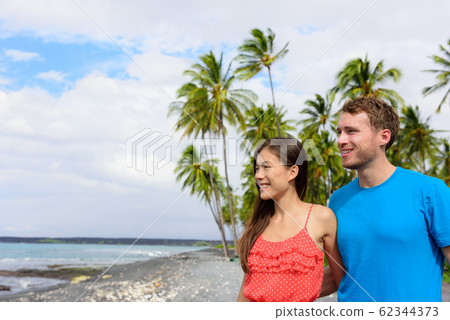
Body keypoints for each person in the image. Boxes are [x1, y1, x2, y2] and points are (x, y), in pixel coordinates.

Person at [322, 96, 450, 302]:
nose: (340, 140)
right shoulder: (338, 200)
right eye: (339, 132)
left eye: (351, 131)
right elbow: (343, 271)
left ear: (383, 136)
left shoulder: (430, 191)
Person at [237, 137, 344, 302]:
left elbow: (341, 280)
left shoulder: (321, 218)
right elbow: (246, 293)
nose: (258, 176)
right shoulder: (257, 225)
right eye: (257, 169)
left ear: (292, 172)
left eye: (266, 167)